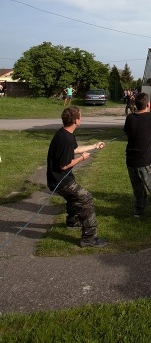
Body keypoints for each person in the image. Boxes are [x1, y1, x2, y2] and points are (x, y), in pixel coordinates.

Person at [46, 106, 108, 248]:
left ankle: (72, 222)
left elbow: (75, 149)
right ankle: (89, 238)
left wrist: (94, 146)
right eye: (80, 116)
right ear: (75, 120)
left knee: (75, 197)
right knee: (85, 198)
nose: (81, 118)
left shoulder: (66, 133)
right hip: (60, 181)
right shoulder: (64, 139)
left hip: (62, 178)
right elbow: (64, 165)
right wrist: (82, 159)